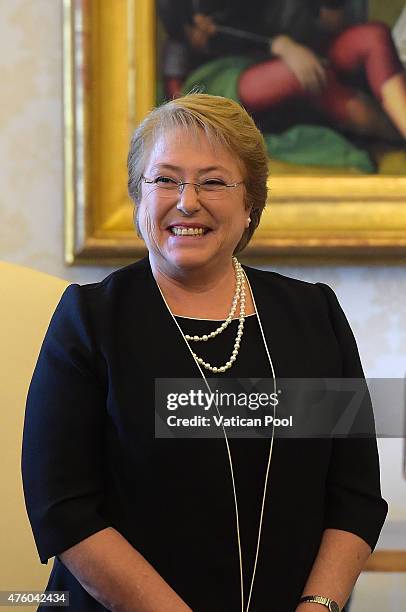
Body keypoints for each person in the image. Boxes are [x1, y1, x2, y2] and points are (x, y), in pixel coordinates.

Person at [22, 94, 388, 612]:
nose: (187, 201)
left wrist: (319, 606)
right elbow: (64, 508)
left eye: (213, 181)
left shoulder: (313, 316)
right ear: (138, 197)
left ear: (250, 204)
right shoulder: (90, 321)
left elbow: (354, 496)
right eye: (165, 180)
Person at [158, 0, 406, 142]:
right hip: (231, 71)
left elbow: (329, 23)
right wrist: (280, 44)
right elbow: (193, 35)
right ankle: (392, 133)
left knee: (373, 36)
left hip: (308, 50)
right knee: (311, 78)